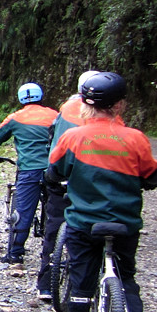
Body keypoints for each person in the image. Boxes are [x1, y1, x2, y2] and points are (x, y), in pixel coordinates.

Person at [47, 72, 157, 312]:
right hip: (124, 225)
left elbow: (54, 173)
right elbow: (152, 175)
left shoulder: (73, 137)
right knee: (126, 280)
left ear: (84, 104)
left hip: (84, 225)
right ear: (120, 105)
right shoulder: (136, 139)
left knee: (81, 286)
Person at [35, 70, 99, 300]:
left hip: (62, 175)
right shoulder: (113, 118)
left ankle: (45, 284)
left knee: (54, 225)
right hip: (97, 184)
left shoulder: (67, 109)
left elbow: (53, 140)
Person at [0, 83, 59, 264]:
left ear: (20, 98)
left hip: (29, 170)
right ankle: (52, 253)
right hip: (54, 169)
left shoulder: (15, 118)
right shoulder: (55, 115)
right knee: (56, 209)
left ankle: (15, 253)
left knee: (23, 211)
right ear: (41, 96)